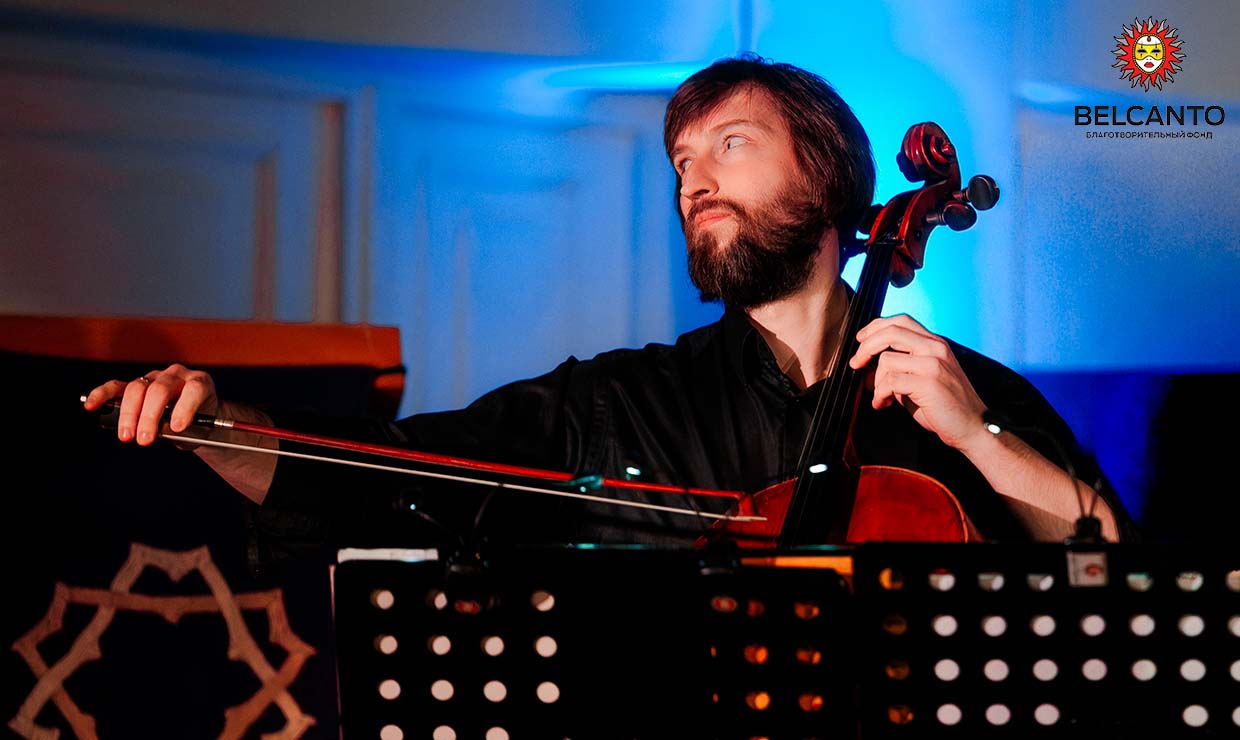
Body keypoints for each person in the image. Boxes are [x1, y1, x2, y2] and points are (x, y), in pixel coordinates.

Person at [82, 55, 1134, 568]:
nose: (693, 181)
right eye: (681, 163)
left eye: (729, 146)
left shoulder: (959, 392)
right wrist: (215, 425)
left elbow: (1110, 566)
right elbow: (382, 475)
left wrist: (979, 440)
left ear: (824, 180)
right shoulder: (613, 403)